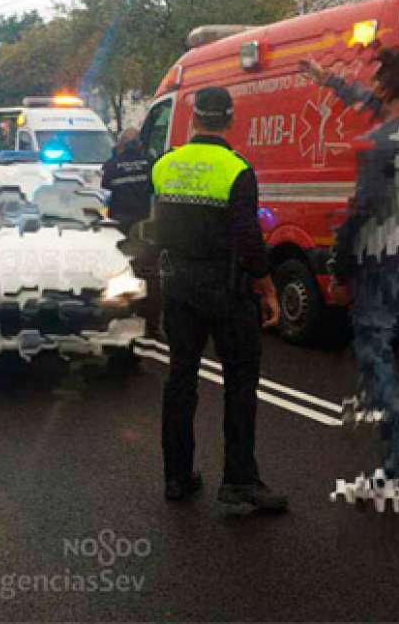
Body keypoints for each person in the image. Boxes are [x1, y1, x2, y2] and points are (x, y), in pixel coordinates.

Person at [300, 48, 399, 505]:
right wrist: (327, 78)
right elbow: (371, 102)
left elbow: (363, 208)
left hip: (379, 265)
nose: (372, 89)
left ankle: (394, 467)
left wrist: (339, 257)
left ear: (387, 87)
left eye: (377, 82)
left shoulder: (379, 145)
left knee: (377, 362)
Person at [150, 86, 286, 510]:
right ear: (229, 120)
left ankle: (177, 477)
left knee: (181, 380)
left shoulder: (165, 166)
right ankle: (240, 483)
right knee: (240, 384)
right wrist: (266, 287)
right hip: (225, 290)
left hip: (178, 287)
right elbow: (248, 238)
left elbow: (156, 225)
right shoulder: (236, 170)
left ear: (193, 120)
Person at [103, 128, 161, 336]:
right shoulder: (150, 165)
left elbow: (103, 197)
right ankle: (152, 324)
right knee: (150, 275)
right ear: (139, 145)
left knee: (121, 273)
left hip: (120, 229)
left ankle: (124, 318)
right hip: (145, 228)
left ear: (119, 146)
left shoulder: (111, 167)